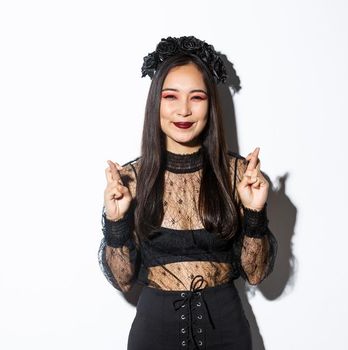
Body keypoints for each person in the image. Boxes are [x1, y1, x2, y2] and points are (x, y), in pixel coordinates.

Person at [98, 36, 276, 350]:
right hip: (153, 335)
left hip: (228, 334)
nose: (183, 110)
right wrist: (116, 223)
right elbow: (123, 279)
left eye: (196, 97)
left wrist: (255, 214)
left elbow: (256, 274)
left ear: (211, 105)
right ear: (156, 103)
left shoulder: (239, 175)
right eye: (171, 97)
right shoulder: (130, 179)